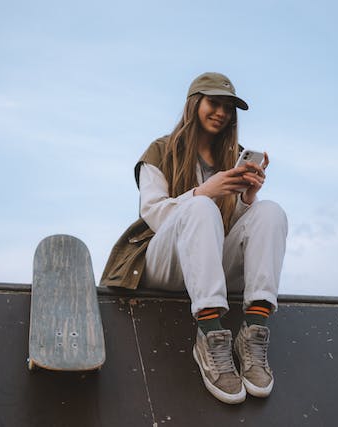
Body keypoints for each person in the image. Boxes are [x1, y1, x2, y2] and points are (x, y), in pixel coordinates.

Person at [101, 72, 288, 404]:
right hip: (165, 263)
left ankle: (253, 332)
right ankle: (210, 335)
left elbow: (236, 232)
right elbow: (154, 213)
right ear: (194, 104)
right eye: (214, 103)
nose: (221, 113)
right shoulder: (160, 150)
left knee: (271, 210)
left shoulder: (235, 156)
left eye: (228, 108)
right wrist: (203, 192)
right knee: (201, 206)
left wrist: (247, 198)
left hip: (212, 267)